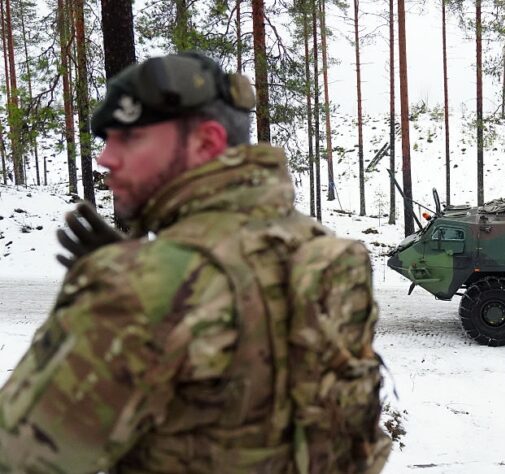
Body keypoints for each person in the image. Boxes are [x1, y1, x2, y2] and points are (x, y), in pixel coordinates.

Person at [0, 53, 390, 473]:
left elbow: (17, 457)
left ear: (206, 142)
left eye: (129, 138)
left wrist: (122, 286)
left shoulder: (139, 285)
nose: (105, 158)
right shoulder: (315, 246)